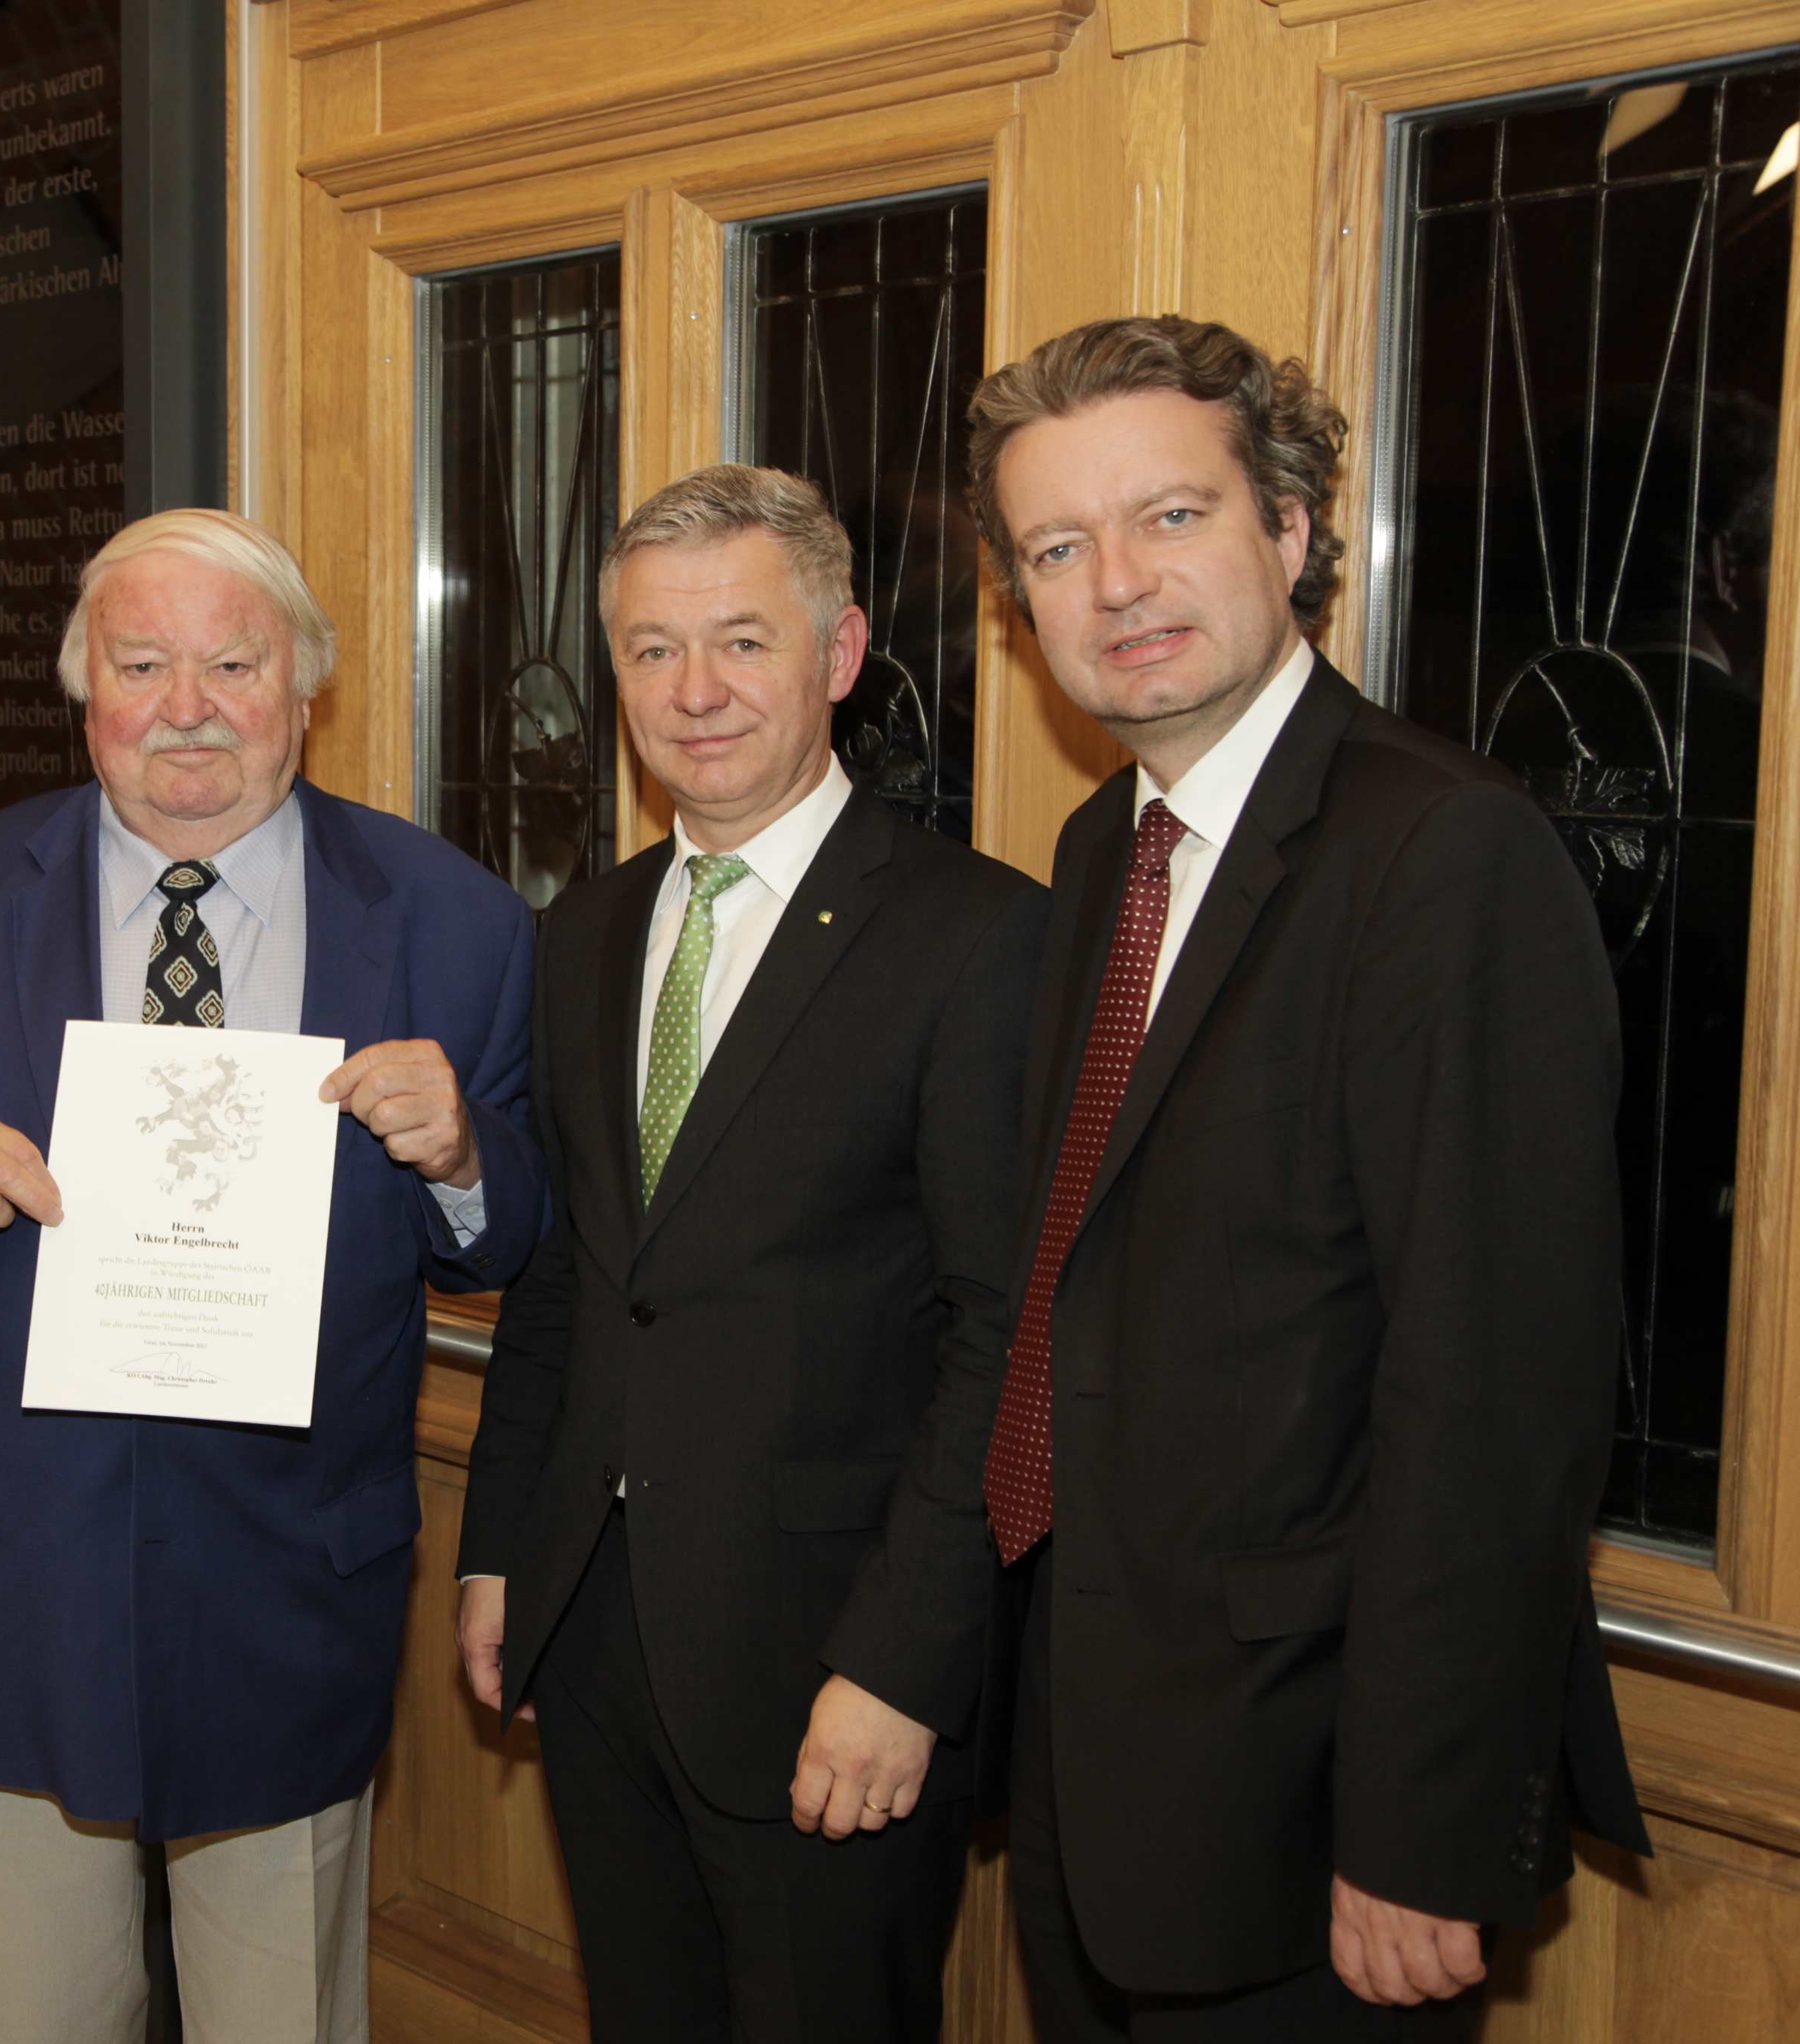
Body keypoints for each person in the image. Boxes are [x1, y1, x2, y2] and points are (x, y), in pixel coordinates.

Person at [965, 314, 1650, 2039]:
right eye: (1058, 547)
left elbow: (1495, 1396)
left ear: (1289, 528)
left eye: (1170, 516)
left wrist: (1422, 1832)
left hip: (1317, 1799)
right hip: (1089, 1749)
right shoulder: (1103, 847)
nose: (1118, 582)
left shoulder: (1442, 850)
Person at [0, 507, 545, 2043]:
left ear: (308, 686)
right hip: (20, 1578)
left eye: (234, 664)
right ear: (86, 690)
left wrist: (466, 1155)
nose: (187, 707)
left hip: (289, 1587)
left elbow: (510, 1229)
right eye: (141, 665)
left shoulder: (453, 918)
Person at [454, 464, 1045, 2044]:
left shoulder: (978, 936)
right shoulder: (585, 931)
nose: (693, 691)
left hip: (829, 1667)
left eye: (740, 641)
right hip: (595, 1639)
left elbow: (1005, 1337)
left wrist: (906, 1663)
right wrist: (502, 1547)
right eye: (651, 650)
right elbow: (571, 1280)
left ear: (840, 654)